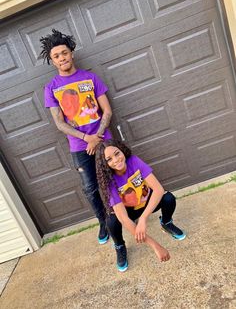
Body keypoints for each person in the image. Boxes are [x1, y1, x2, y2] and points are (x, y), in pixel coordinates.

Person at [40, 29, 112, 244]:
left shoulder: (90, 78)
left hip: (103, 140)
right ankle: (103, 222)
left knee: (112, 179)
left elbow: (107, 111)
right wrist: (85, 138)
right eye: (56, 56)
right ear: (53, 61)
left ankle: (121, 215)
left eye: (64, 53)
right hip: (78, 147)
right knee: (90, 188)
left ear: (72, 53)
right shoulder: (51, 88)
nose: (61, 58)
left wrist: (96, 137)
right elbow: (59, 123)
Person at [95, 139, 186, 272]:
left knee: (168, 198)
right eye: (109, 159)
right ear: (105, 164)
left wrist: (143, 219)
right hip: (129, 211)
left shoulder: (133, 161)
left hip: (145, 202)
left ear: (122, 151)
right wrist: (155, 246)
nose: (116, 160)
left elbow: (158, 189)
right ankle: (119, 246)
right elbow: (124, 218)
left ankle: (166, 222)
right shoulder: (108, 181)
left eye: (117, 153)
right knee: (112, 221)